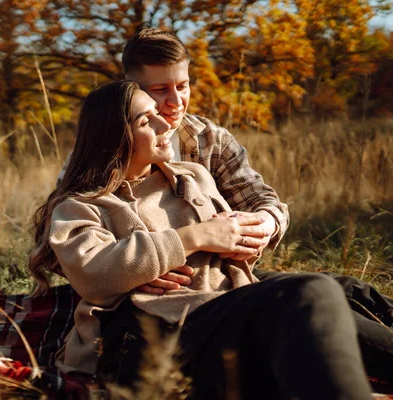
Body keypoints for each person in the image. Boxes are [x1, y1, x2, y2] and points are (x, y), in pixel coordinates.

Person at [56, 28, 393, 383]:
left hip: (222, 283)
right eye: (157, 93)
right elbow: (69, 253)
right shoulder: (90, 180)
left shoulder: (200, 155)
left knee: (344, 291)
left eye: (182, 86)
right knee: (305, 298)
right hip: (165, 309)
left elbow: (261, 203)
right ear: (128, 95)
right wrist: (145, 265)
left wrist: (258, 227)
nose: (174, 104)